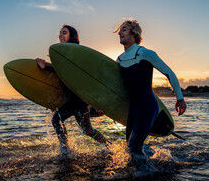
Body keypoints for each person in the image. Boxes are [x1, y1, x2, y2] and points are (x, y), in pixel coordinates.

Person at [114, 19, 187, 156]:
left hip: (148, 107)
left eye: (124, 29)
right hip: (133, 110)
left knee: (133, 147)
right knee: (129, 148)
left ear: (134, 33)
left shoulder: (145, 53)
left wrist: (180, 98)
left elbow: (169, 73)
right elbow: (117, 87)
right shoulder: (119, 59)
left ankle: (143, 174)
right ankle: (152, 159)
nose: (119, 32)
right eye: (119, 30)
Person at [36, 25, 108, 154]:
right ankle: (66, 148)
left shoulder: (75, 52)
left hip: (79, 98)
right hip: (71, 98)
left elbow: (66, 72)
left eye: (64, 32)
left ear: (72, 36)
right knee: (71, 125)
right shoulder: (61, 53)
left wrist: (45, 67)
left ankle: (67, 149)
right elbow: (61, 79)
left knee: (82, 129)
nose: (60, 35)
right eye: (60, 33)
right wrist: (55, 102)